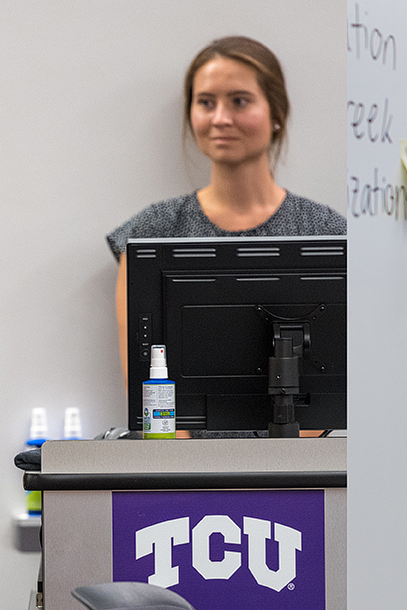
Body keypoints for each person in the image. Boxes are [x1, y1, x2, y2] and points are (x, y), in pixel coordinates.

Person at [109, 35, 347, 374]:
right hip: (173, 428)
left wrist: (299, 428)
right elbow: (143, 381)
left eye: (239, 101)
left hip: (297, 428)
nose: (220, 118)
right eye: (206, 102)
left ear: (276, 113)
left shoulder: (327, 233)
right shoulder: (150, 234)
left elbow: (334, 376)